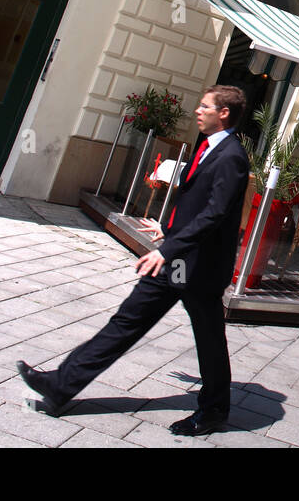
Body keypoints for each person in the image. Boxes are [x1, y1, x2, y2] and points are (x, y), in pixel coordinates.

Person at [17, 85, 250, 436]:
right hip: (177, 258)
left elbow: (216, 214)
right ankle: (60, 385)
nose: (197, 111)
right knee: (126, 322)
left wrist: (169, 249)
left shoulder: (232, 156)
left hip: (199, 268)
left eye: (205, 107)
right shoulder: (207, 145)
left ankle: (215, 409)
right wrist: (167, 228)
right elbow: (193, 201)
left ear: (224, 113)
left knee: (210, 337)